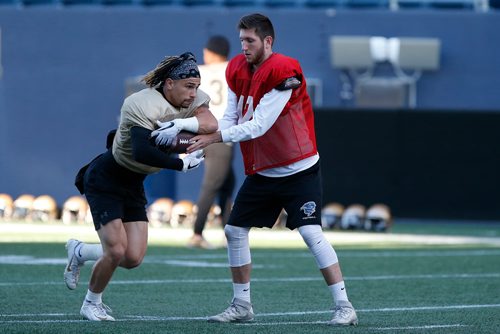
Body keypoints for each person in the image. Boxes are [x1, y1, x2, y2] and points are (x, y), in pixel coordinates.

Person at [183, 13, 359, 326]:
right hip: (264, 170)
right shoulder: (236, 67)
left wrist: (213, 136)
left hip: (298, 168)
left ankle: (344, 305)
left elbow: (260, 125)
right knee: (233, 230)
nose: (244, 46)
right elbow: (232, 115)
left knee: (310, 233)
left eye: (250, 40)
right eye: (241, 40)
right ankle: (241, 305)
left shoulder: (284, 70)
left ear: (268, 41)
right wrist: (213, 141)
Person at [64, 52, 217, 322]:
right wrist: (180, 164)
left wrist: (180, 124)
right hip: (107, 178)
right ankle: (91, 303)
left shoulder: (191, 102)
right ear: (169, 83)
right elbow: (142, 151)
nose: (194, 94)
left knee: (132, 257)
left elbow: (211, 124)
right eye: (189, 87)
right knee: (115, 251)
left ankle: (80, 251)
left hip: (134, 183)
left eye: (196, 87)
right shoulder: (142, 103)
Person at [187, 35, 236, 249]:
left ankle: (227, 232)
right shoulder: (233, 69)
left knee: (226, 182)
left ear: (211, 52)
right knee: (213, 183)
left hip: (208, 128)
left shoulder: (199, 71)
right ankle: (197, 233)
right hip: (222, 134)